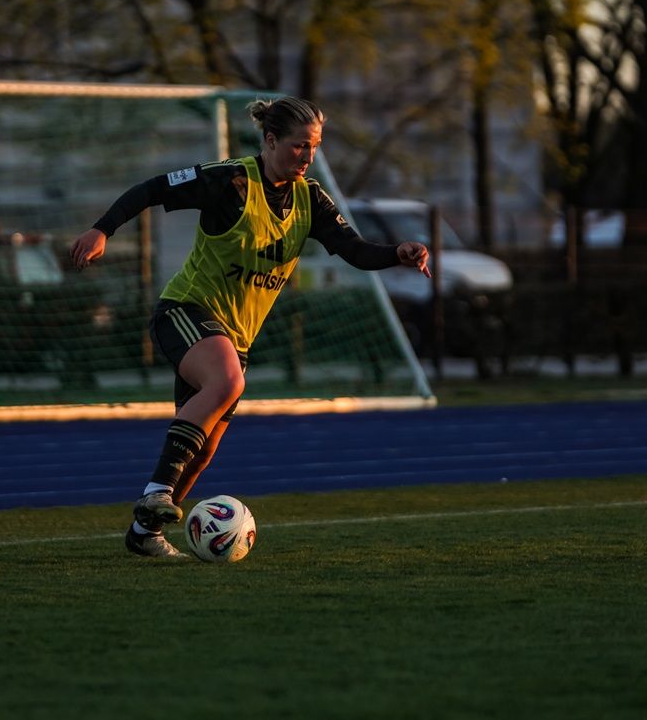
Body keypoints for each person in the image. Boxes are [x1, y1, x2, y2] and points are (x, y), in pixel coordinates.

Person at [71, 96, 431, 558]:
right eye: (299, 146)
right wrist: (102, 230)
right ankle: (156, 489)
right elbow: (151, 189)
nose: (307, 156)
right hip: (186, 309)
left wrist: (396, 252)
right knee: (226, 381)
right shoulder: (231, 181)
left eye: (314, 147)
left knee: (203, 452)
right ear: (270, 139)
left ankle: (145, 534)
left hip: (236, 336)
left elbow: (354, 249)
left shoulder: (310, 199)